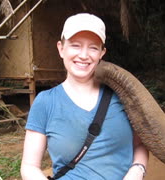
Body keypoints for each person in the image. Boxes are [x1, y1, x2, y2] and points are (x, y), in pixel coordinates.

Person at [21, 13, 149, 180]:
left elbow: (140, 144)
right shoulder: (45, 102)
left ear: (102, 53)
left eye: (93, 47)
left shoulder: (123, 96)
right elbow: (29, 167)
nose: (83, 55)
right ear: (61, 48)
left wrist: (137, 170)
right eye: (75, 45)